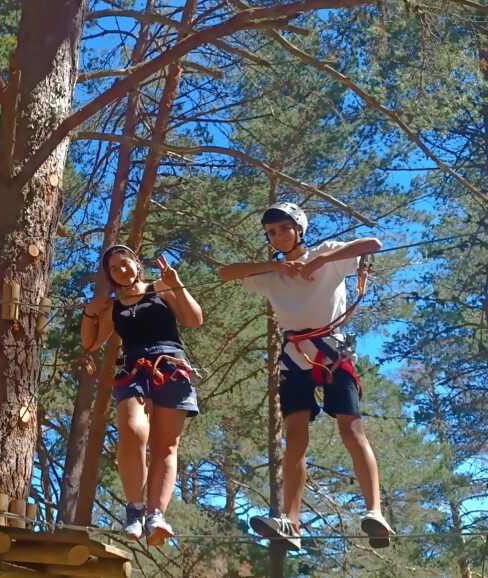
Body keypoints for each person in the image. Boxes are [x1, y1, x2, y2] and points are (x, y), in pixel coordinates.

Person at [218, 201, 393, 550]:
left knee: (350, 427)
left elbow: (373, 244)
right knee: (295, 437)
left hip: (331, 351)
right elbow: (226, 273)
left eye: (284, 228)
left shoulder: (328, 253)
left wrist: (320, 261)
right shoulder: (271, 275)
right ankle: (291, 524)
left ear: (299, 227)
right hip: (294, 358)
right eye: (271, 233)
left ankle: (375, 511)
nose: (278, 236)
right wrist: (275, 266)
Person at [82, 245, 203, 545]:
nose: (122, 271)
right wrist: (89, 312)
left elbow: (194, 320)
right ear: (109, 276)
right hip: (134, 369)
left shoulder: (161, 288)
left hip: (171, 365)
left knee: (166, 446)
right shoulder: (114, 307)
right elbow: (92, 344)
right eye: (114, 269)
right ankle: (135, 509)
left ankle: (156, 515)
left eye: (126, 264)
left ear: (137, 263)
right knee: (133, 430)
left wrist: (176, 284)